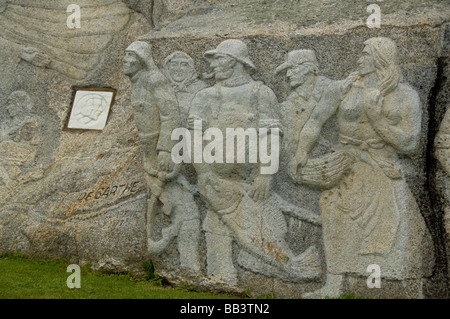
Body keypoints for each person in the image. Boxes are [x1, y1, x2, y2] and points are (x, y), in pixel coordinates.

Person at [290, 37, 433, 298]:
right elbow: (315, 120)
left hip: (382, 166)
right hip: (346, 165)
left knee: (399, 229)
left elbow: (410, 144)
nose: (359, 59)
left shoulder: (405, 95)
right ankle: (333, 287)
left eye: (365, 54)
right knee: (334, 220)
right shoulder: (342, 88)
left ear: (381, 58)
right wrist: (301, 151)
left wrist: (377, 118)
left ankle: (407, 290)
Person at [188, 39, 321, 286]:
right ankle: (222, 276)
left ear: (237, 62)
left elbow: (272, 136)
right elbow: (194, 138)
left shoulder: (261, 93)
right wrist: (203, 172)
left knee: (256, 229)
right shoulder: (204, 97)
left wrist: (266, 174)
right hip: (215, 178)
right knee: (216, 226)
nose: (214, 64)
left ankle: (294, 267)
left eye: (220, 59)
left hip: (251, 180)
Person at [123, 41, 202, 276]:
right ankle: (171, 256)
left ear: (141, 59)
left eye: (130, 56)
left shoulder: (154, 79)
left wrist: (166, 151)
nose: (124, 61)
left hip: (163, 155)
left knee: (183, 207)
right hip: (151, 157)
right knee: (169, 204)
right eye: (124, 56)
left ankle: (188, 265)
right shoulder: (138, 82)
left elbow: (170, 115)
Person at [162, 51, 207, 121]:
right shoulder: (160, 87)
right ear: (167, 68)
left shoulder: (201, 88)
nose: (178, 69)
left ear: (191, 68)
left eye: (184, 64)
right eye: (174, 64)